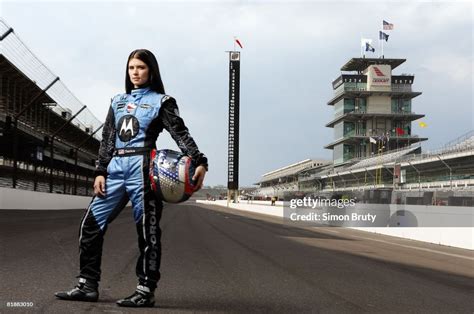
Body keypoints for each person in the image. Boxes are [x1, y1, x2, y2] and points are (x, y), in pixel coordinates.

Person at [55, 49, 208, 307]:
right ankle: (87, 284)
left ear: (151, 71)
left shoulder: (163, 101)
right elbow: (107, 140)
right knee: (90, 225)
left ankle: (145, 290)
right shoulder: (116, 101)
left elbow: (180, 133)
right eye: (131, 68)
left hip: (144, 170)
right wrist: (100, 171)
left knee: (147, 234)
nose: (135, 72)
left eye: (141, 68)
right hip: (114, 169)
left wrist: (199, 161)